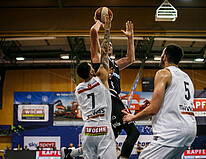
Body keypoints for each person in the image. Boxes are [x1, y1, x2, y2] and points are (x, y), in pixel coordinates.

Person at [122, 44, 197, 159]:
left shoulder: (163, 73)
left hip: (172, 131)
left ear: (164, 57)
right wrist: (154, 104)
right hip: (190, 130)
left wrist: (132, 117)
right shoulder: (187, 77)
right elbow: (174, 102)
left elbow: (153, 109)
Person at [90, 11, 140, 159]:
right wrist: (100, 22)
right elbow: (93, 32)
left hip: (116, 100)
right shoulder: (97, 59)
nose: (108, 44)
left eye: (110, 44)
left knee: (133, 133)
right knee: (108, 140)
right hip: (106, 99)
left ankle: (123, 157)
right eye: (106, 42)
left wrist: (130, 38)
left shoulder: (116, 64)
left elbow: (131, 58)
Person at [72, 14, 116, 159]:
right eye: (92, 67)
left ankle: (70, 153)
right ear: (92, 71)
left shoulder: (78, 89)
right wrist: (107, 30)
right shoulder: (101, 78)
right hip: (103, 127)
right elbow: (104, 54)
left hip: (88, 130)